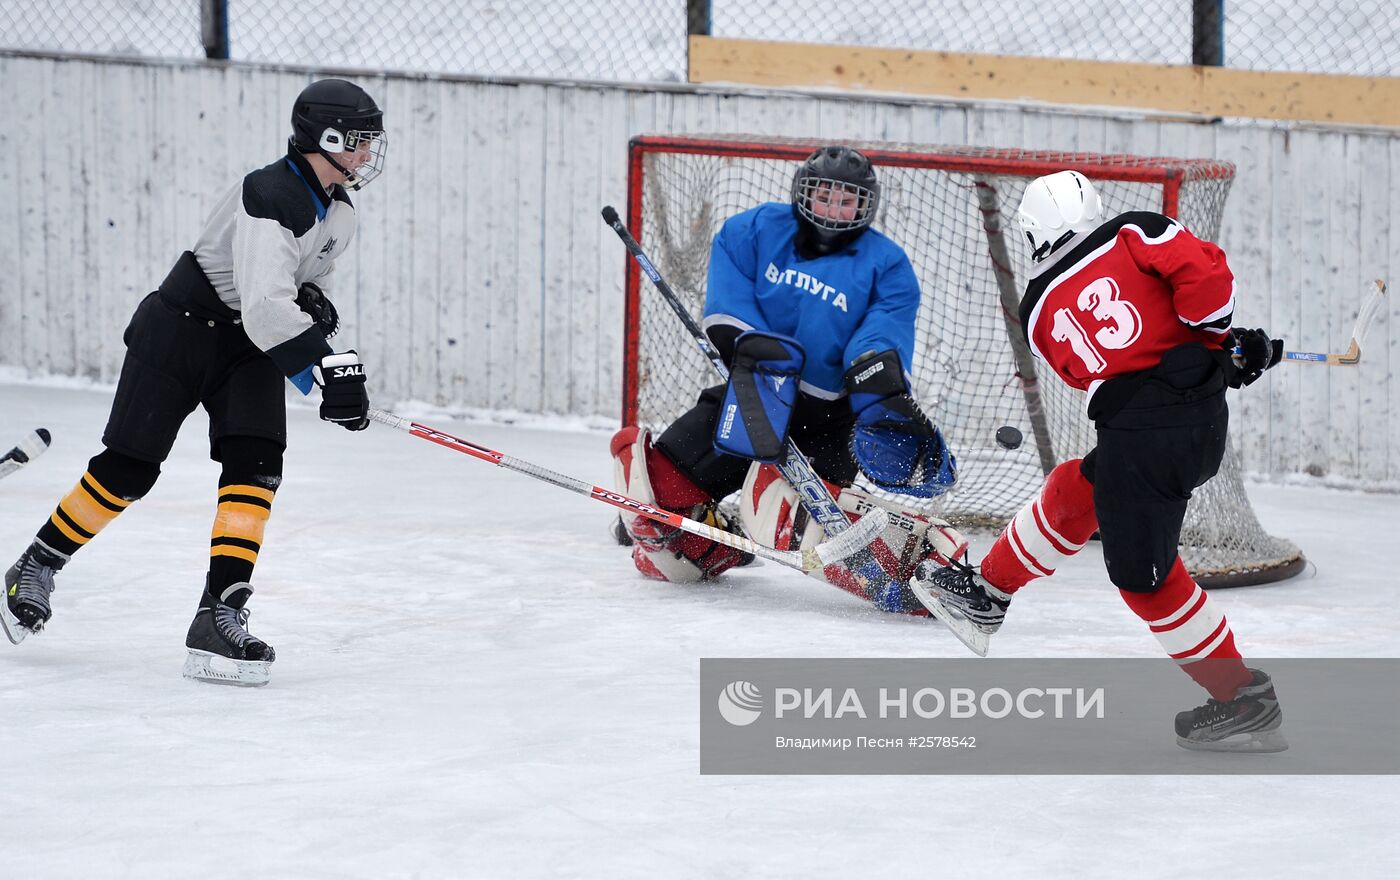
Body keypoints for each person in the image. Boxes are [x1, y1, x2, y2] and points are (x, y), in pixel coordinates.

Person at [2, 79, 387, 687]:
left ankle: (219, 615)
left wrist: (324, 363)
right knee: (129, 469)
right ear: (330, 138)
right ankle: (36, 563)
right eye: (361, 142)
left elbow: (299, 295)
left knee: (255, 468)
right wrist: (329, 368)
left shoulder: (340, 211)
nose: (369, 154)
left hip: (247, 348)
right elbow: (265, 308)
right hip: (179, 331)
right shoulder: (271, 193)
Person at [917, 169, 1287, 751]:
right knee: (1076, 489)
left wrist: (1212, 351)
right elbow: (1207, 282)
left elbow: (1099, 368)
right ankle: (987, 591)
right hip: (1186, 428)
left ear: (1034, 233)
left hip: (1142, 434)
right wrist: (1225, 344)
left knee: (1146, 580)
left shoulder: (1037, 308)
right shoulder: (1137, 230)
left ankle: (1242, 698)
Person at [611, 145, 959, 610]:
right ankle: (708, 540)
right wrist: (756, 352)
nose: (834, 210)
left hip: (830, 420)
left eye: (847, 201)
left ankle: (921, 570)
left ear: (867, 206)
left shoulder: (887, 263)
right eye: (825, 197)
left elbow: (880, 334)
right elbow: (729, 299)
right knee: (653, 487)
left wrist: (880, 395)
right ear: (803, 193)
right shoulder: (753, 229)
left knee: (787, 508)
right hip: (752, 396)